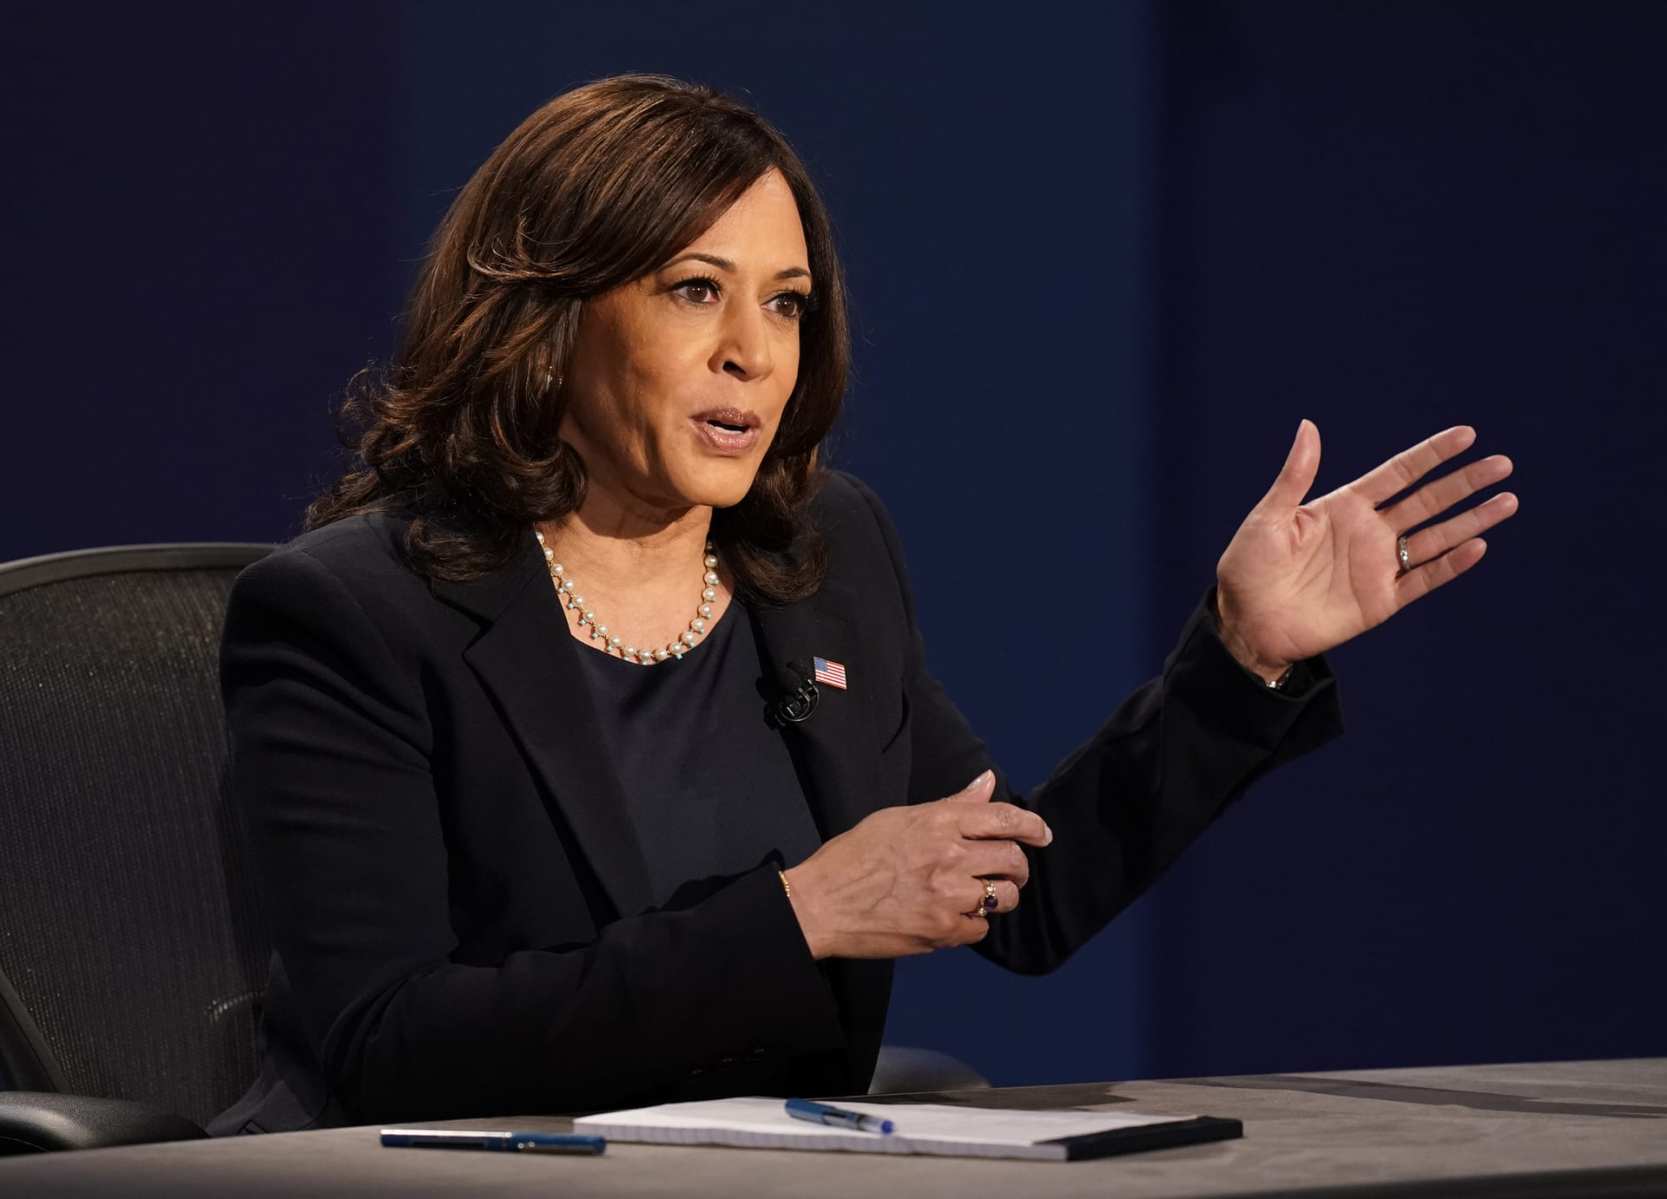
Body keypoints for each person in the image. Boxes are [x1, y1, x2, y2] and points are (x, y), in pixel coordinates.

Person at [210, 74, 1518, 1134]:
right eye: (692, 291)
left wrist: (1241, 662)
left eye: (785, 303)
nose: (754, 350)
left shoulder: (821, 557)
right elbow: (389, 1051)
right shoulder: (351, 615)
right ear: (547, 321)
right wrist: (800, 919)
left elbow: (1018, 894)